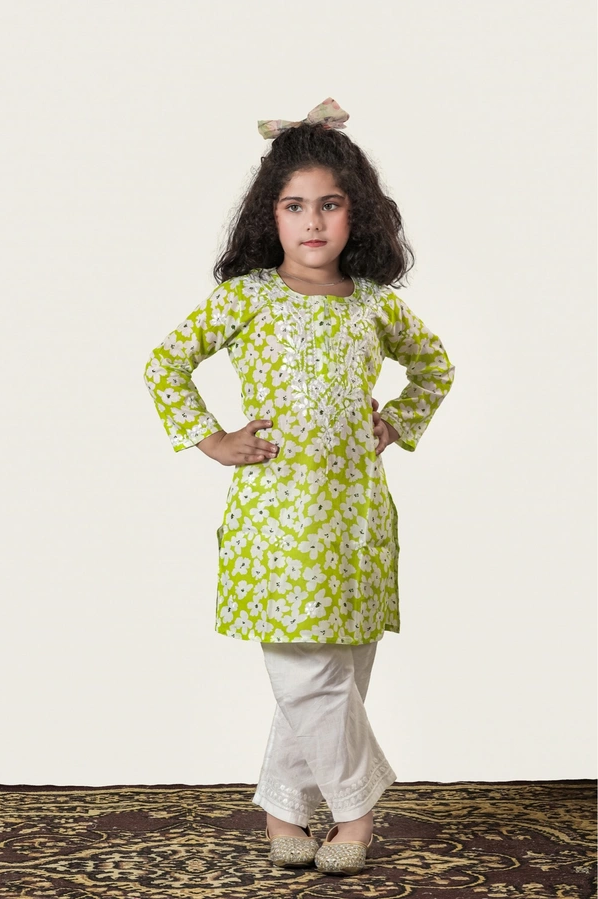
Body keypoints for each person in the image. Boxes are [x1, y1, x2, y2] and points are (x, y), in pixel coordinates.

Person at [143, 97, 455, 876]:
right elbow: (166, 363)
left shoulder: (376, 305)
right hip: (276, 523)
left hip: (357, 522)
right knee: (308, 676)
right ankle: (356, 814)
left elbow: (435, 367)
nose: (313, 221)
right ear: (270, 215)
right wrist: (213, 439)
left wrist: (398, 421)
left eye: (330, 204)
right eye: (294, 205)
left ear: (358, 213)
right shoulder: (247, 296)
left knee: (337, 677)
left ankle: (284, 809)